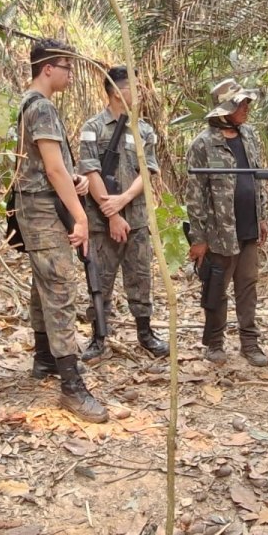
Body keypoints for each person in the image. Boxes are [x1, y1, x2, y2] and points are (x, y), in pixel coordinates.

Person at [11, 38, 109, 422]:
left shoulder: (28, 104)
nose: (71, 75)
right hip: (42, 211)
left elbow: (49, 166)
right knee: (59, 288)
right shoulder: (42, 107)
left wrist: (74, 179)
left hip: (35, 206)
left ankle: (45, 359)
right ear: (48, 68)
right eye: (67, 68)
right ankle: (71, 385)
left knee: (43, 285)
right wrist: (81, 217)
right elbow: (51, 170)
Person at [76, 66, 168, 362]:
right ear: (116, 92)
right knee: (100, 280)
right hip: (101, 222)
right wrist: (112, 214)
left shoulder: (144, 130)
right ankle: (98, 337)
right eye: (134, 87)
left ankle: (145, 333)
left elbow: (148, 171)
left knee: (140, 277)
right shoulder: (93, 127)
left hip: (137, 219)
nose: (140, 92)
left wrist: (124, 200)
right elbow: (89, 170)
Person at [185, 79, 268, 366]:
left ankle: (250, 342)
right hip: (219, 232)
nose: (246, 108)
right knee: (216, 288)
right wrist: (199, 238)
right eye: (240, 104)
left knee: (247, 286)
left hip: (248, 227)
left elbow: (257, 179)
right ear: (224, 109)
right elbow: (195, 195)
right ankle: (215, 342)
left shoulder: (250, 135)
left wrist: (262, 217)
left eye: (246, 102)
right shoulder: (203, 144)